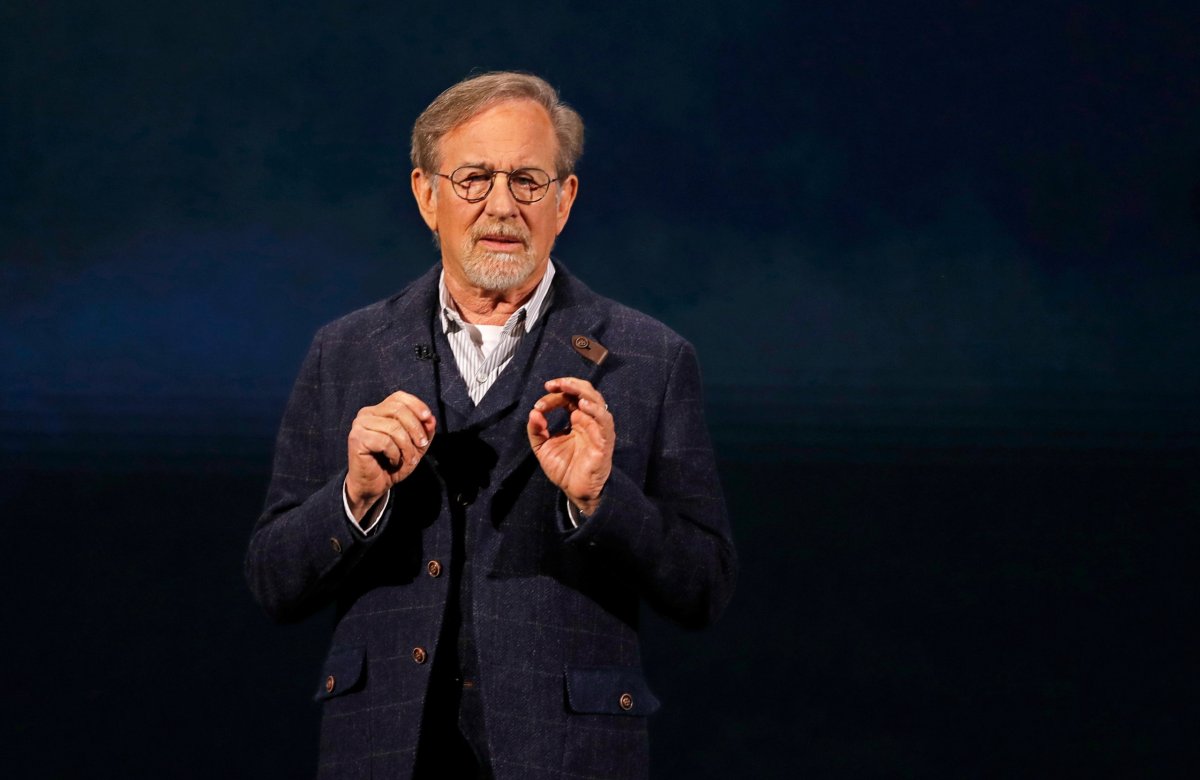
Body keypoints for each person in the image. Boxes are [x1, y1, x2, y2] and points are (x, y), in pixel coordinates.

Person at [245, 71, 736, 780]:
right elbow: (273, 581)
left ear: (564, 200)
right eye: (474, 178)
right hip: (383, 756)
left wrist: (603, 500)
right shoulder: (344, 353)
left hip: (566, 759)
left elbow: (705, 587)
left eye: (528, 181)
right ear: (427, 196)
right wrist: (353, 500)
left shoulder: (648, 359)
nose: (502, 206)